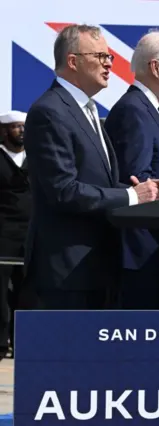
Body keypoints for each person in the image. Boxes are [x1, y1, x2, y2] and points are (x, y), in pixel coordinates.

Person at [23, 24, 159, 310]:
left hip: (99, 267)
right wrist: (131, 197)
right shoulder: (49, 112)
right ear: (73, 61)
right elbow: (63, 190)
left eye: (110, 57)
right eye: (101, 56)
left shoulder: (87, 111)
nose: (109, 64)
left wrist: (135, 191)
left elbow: (98, 183)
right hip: (67, 274)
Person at [105, 30, 159, 309]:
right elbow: (137, 180)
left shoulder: (152, 108)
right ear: (156, 67)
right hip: (143, 251)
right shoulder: (134, 109)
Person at [0, 111, 29, 357]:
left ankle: (22, 342)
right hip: (3, 235)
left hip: (30, 234)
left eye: (23, 126)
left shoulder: (37, 159)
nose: (20, 131)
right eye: (15, 127)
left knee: (26, 289)